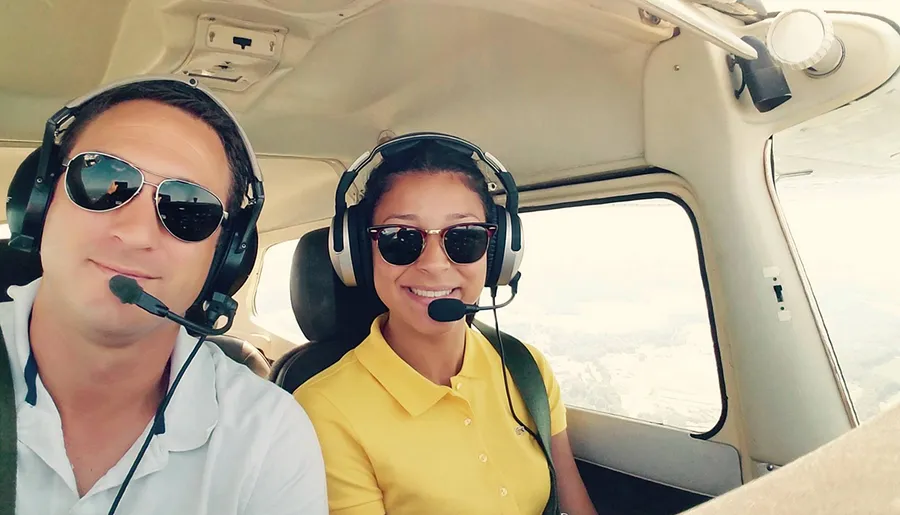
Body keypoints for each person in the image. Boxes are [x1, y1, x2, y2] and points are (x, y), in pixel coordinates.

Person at [0, 76, 327, 514]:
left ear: (225, 258)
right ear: (39, 202)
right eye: (102, 180)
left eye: (189, 209)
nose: (136, 234)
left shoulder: (266, 431)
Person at [293, 133, 597, 514]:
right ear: (359, 253)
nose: (434, 264)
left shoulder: (525, 368)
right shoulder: (322, 409)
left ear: (499, 253)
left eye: (464, 237)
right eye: (400, 238)